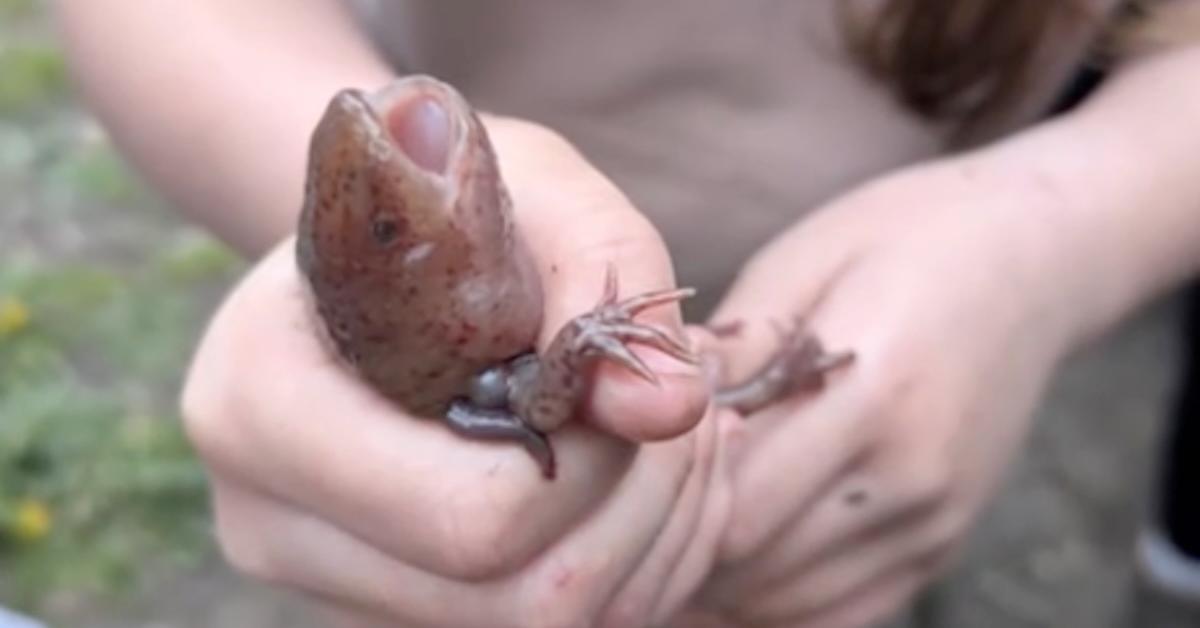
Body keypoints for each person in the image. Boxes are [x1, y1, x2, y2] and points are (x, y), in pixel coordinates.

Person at [52, 1, 1200, 626]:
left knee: (815, 560)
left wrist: (1059, 226)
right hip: (512, 438)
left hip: (868, 348)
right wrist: (346, 277)